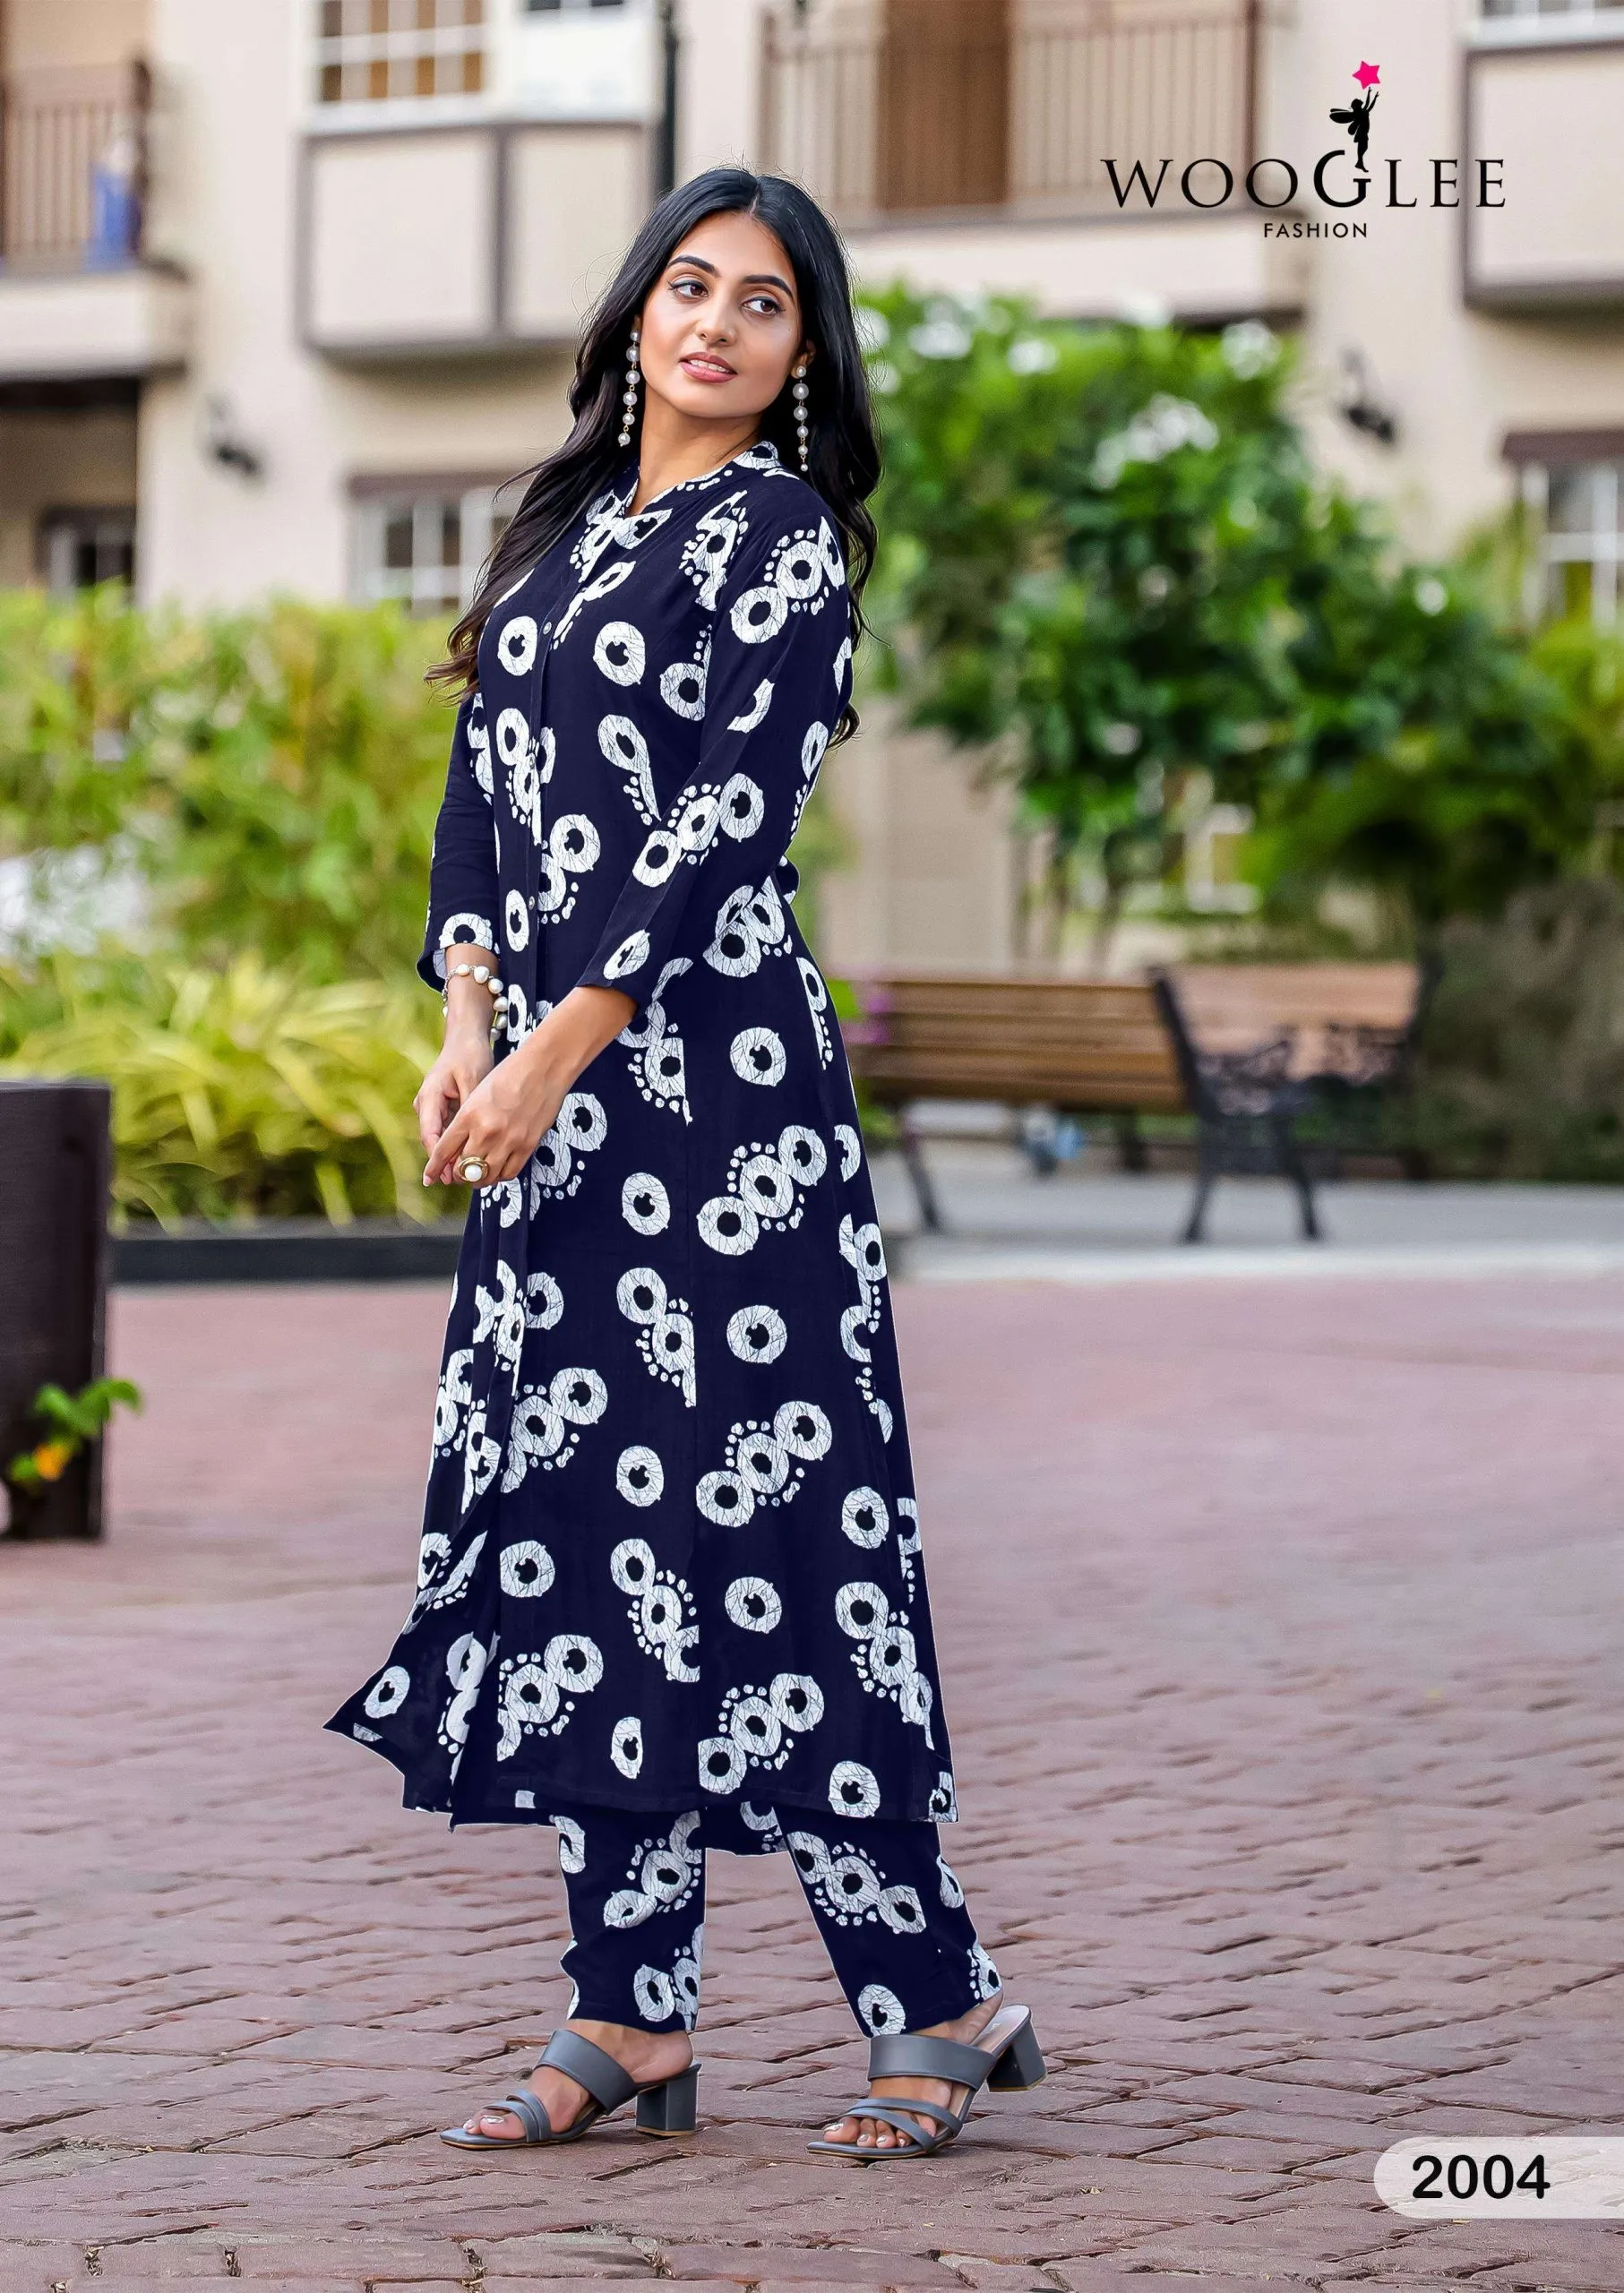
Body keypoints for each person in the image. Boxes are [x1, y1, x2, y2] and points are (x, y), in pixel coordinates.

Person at [327, 167, 1044, 2165]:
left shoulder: (784, 541)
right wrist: (468, 1026)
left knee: (785, 1538)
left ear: (804, 352)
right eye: (690, 284)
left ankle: (931, 1991)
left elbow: (722, 827)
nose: (716, 321)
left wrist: (556, 1057)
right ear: (638, 309)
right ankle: (628, 2010)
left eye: (764, 301)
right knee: (577, 1539)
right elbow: (482, 806)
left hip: (720, 1114)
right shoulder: (561, 536)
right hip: (551, 1121)